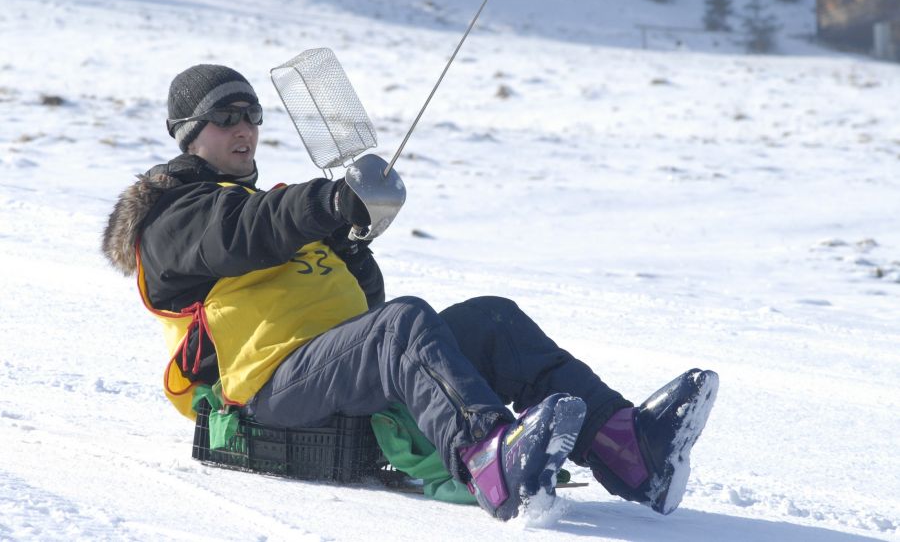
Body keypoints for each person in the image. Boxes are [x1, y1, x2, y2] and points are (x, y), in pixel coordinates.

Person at [102, 64, 718, 521]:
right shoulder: (174, 217)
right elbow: (243, 231)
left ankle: (629, 450)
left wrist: (351, 243)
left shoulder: (263, 211)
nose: (245, 128)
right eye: (226, 117)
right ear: (189, 132)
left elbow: (363, 303)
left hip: (329, 368)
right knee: (402, 324)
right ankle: (489, 460)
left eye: (253, 116)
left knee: (492, 320)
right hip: (266, 391)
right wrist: (326, 202)